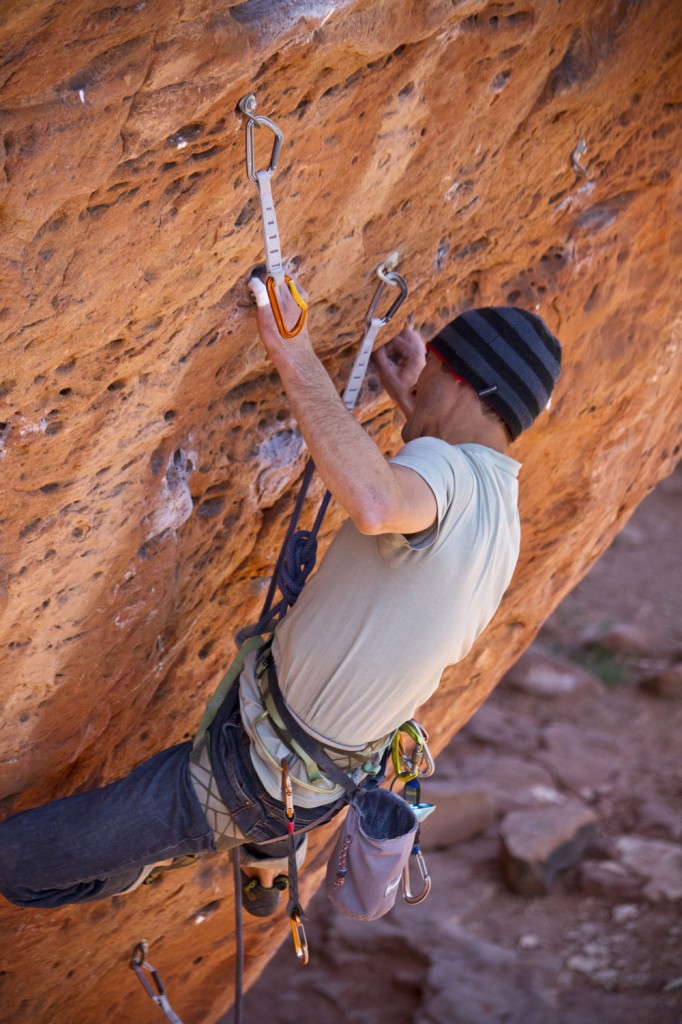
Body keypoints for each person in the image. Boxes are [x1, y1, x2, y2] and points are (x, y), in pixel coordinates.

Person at [0, 280, 561, 915]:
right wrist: (417, 402)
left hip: (252, 777)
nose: (417, 382)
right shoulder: (500, 513)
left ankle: (148, 860)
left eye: (430, 367)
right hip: (324, 773)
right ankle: (266, 843)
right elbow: (428, 489)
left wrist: (293, 351)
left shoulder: (445, 468)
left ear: (461, 381)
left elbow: (378, 501)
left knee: (20, 865)